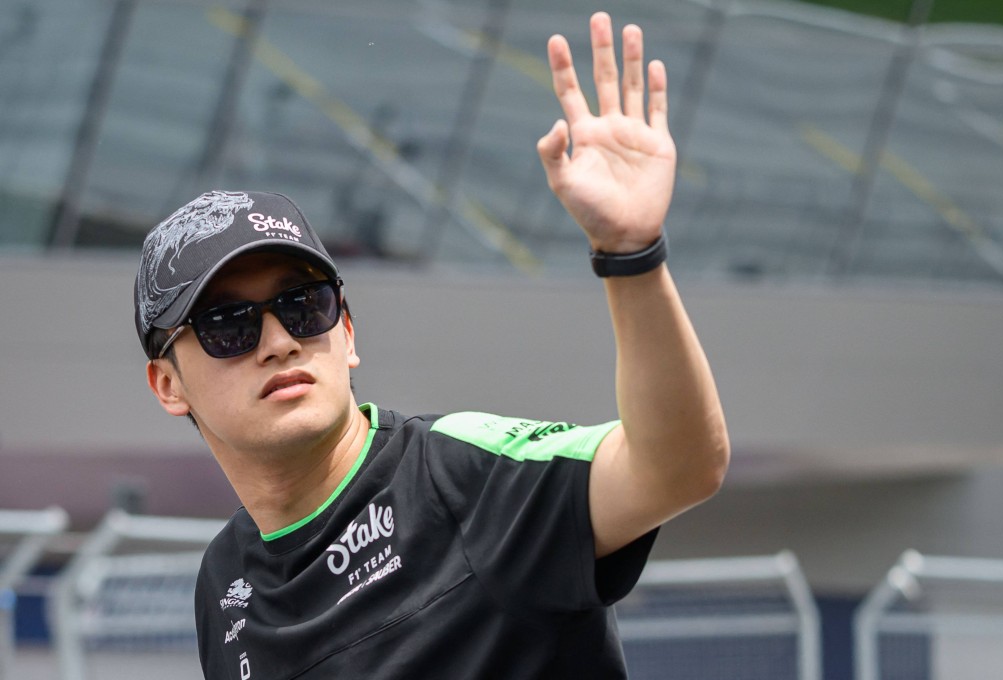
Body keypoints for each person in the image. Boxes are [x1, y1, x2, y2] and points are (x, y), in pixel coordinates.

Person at [135, 12, 728, 679]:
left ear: (347, 332)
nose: (278, 342)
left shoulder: (459, 478)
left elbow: (679, 468)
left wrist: (631, 254)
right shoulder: (225, 582)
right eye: (229, 326)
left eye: (304, 307)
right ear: (168, 385)